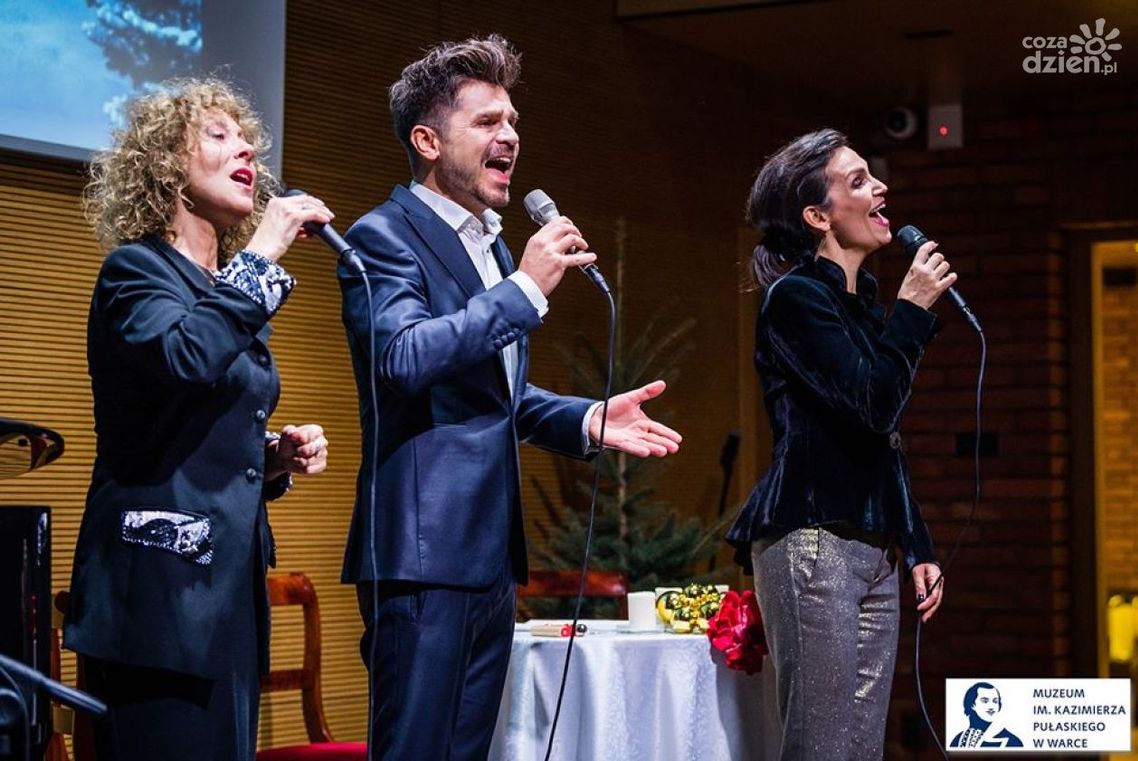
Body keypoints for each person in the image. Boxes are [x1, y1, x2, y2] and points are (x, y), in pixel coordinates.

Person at [338, 35, 682, 760]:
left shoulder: (491, 247)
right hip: (422, 554)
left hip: (489, 556)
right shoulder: (383, 235)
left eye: (514, 121)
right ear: (428, 140)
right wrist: (523, 289)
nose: (511, 137)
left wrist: (587, 417)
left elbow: (501, 395)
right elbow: (402, 359)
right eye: (488, 121)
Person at [64, 78, 331, 761]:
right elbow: (183, 358)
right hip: (157, 600)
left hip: (227, 597)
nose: (244, 146)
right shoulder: (135, 273)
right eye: (218, 135)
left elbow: (199, 412)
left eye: (246, 139)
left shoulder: (223, 291)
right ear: (165, 166)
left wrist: (274, 454)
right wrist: (262, 255)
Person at [726, 128, 950, 760]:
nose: (880, 188)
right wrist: (911, 312)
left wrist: (916, 542)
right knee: (822, 747)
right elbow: (873, 405)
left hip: (872, 545)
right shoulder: (794, 298)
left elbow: (881, 440)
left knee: (860, 749)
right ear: (818, 217)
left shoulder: (860, 302)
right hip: (814, 540)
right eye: (858, 181)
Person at [950, 682, 1024, 748]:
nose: (991, 707)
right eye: (985, 701)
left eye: (995, 701)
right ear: (972, 705)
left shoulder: (1012, 741)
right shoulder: (958, 739)